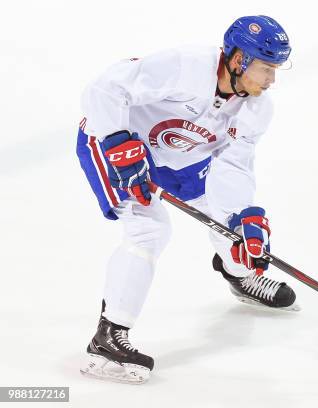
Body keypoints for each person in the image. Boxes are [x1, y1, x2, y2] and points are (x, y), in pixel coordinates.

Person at [75, 15, 297, 384]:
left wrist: (243, 217)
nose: (272, 80)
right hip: (114, 143)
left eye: (276, 69)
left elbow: (233, 167)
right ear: (238, 59)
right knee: (149, 230)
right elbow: (104, 90)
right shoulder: (186, 66)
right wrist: (117, 140)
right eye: (266, 68)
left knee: (228, 222)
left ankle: (239, 275)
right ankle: (109, 335)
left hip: (182, 155)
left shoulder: (257, 108)